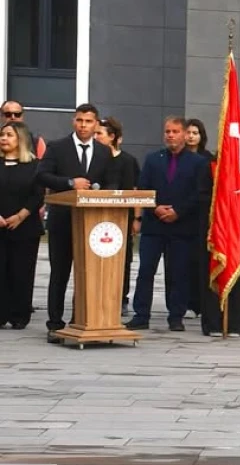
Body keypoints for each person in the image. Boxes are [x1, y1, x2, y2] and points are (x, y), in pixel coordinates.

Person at [37, 103, 120, 342]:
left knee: (88, 273)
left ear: (96, 124)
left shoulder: (104, 152)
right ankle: (55, 322)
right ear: (74, 122)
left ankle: (80, 319)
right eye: (80, 120)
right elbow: (42, 175)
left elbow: (112, 182)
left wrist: (99, 190)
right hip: (63, 221)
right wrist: (71, 183)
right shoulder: (57, 147)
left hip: (93, 223)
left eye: (88, 121)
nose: (83, 125)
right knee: (60, 272)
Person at [127, 117, 205, 333]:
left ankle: (176, 315)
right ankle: (141, 314)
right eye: (167, 131)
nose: (170, 135)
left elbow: (198, 194)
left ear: (183, 134)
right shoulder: (153, 159)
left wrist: (178, 211)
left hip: (181, 226)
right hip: (154, 226)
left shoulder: (197, 162)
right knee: (145, 271)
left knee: (178, 273)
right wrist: (155, 208)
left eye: (175, 131)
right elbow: (143, 188)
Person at [199, 149, 240, 338]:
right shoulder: (209, 166)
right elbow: (201, 194)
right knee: (213, 272)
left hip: (239, 227)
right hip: (215, 227)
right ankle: (213, 322)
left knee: (238, 272)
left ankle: (236, 323)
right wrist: (221, 205)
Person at [0, 121, 44, 329]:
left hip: (25, 227)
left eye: (9, 135)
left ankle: (19, 315)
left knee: (22, 272)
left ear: (21, 139)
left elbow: (38, 195)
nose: (4, 138)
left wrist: (21, 215)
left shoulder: (34, 166)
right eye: (2, 135)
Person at [97, 117, 141, 315]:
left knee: (123, 260)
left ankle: (121, 298)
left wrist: (136, 219)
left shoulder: (127, 161)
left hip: (122, 218)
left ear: (112, 137)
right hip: (96, 218)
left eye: (100, 133)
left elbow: (134, 191)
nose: (96, 137)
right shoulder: (95, 160)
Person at [183, 118, 213, 319]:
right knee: (182, 264)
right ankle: (184, 302)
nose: (191, 136)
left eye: (196, 133)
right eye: (189, 132)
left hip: (201, 217)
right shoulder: (178, 157)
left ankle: (200, 303)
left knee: (199, 262)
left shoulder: (208, 159)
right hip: (180, 216)